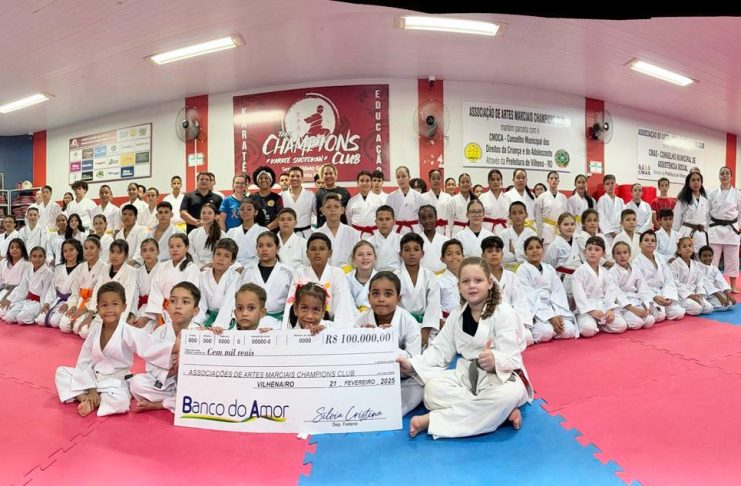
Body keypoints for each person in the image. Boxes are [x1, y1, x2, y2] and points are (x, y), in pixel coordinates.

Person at [399, 257, 532, 439]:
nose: (472, 286)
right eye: (466, 281)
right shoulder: (457, 315)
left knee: (507, 396)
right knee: (432, 391)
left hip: (501, 377)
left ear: (489, 283)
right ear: (459, 286)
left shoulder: (504, 312)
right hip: (468, 373)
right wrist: (412, 365)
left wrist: (495, 359)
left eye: (478, 280)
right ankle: (499, 413)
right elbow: (440, 349)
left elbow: (513, 356)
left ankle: (432, 420)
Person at [55, 281, 177, 417]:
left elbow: (149, 344)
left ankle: (89, 399)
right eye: (104, 305)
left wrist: (173, 348)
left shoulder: (127, 331)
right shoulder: (95, 331)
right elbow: (84, 362)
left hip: (116, 382)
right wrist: (92, 388)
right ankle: (88, 399)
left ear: (124, 307)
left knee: (120, 402)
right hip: (93, 378)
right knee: (61, 372)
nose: (109, 309)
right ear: (97, 308)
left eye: (115, 304)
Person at [356, 271, 423, 415]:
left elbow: (414, 362)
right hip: (369, 377)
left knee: (420, 386)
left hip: (400, 379)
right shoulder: (360, 321)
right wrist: (364, 340)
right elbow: (351, 356)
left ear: (398, 298)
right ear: (368, 297)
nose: (381, 299)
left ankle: (389, 412)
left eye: (388, 294)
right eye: (375, 294)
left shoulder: (409, 322)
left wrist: (387, 343)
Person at [130, 282, 201, 413]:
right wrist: (170, 369)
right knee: (136, 384)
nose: (178, 306)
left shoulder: (200, 334)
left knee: (203, 391)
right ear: (167, 307)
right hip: (167, 386)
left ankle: (160, 404)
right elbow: (150, 367)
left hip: (189, 385)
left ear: (195, 311)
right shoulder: (159, 332)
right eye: (173, 301)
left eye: (185, 302)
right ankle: (173, 402)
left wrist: (185, 365)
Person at [217, 232, 294, 330]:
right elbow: (235, 298)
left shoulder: (289, 272)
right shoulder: (248, 271)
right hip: (250, 323)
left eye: (269, 245)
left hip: (279, 323)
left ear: (278, 248)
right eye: (260, 246)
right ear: (256, 248)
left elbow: (293, 301)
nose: (264, 249)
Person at [282, 233, 355, 329]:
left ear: (330, 253)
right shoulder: (300, 273)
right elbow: (291, 305)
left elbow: (343, 308)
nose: (317, 252)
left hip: (330, 328)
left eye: (322, 249)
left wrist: (335, 333)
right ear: (307, 253)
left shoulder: (337, 273)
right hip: (303, 324)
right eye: (313, 249)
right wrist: (286, 331)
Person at [516, 236, 577, 343]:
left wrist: (557, 313)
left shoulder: (549, 268)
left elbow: (558, 292)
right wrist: (549, 316)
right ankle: (545, 328)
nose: (535, 250)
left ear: (542, 250)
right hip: (535, 311)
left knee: (570, 330)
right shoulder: (522, 270)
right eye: (530, 248)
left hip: (553, 306)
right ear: (525, 252)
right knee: (546, 333)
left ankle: (555, 328)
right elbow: (529, 297)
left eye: (538, 247)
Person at [572, 236, 627, 337]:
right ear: (584, 252)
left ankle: (600, 325)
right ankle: (592, 323)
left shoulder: (605, 272)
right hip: (586, 309)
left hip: (603, 307)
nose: (593, 252)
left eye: (597, 250)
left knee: (621, 326)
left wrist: (609, 309)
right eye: (590, 249)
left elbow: (610, 292)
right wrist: (591, 311)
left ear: (603, 253)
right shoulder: (579, 272)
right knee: (588, 330)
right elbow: (579, 296)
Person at [481, 236, 533, 343]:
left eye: (497, 251)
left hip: (511, 318)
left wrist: (522, 322)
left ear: (502, 254)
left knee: (528, 337)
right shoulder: (480, 277)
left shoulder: (511, 276)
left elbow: (520, 300)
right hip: (490, 320)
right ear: (483, 255)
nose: (494, 254)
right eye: (489, 251)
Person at [395, 233, 442, 348]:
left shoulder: (430, 276)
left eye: (416, 249)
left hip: (425, 324)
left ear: (422, 253)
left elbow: (434, 305)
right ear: (400, 254)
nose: (412, 253)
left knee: (430, 351)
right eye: (407, 250)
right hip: (400, 324)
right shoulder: (394, 277)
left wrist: (425, 330)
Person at [633, 230, 685, 322]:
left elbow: (669, 279)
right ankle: (660, 310)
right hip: (650, 296)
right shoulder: (636, 262)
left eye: (652, 241)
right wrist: (654, 297)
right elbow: (640, 286)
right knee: (659, 316)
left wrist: (668, 296)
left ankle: (664, 308)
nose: (650, 242)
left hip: (663, 293)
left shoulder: (660, 258)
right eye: (646, 240)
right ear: (640, 244)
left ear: (655, 244)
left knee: (679, 313)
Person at [58, 237, 105, 335]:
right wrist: (73, 305)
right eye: (86, 248)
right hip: (80, 302)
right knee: (64, 326)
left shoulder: (104, 268)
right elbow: (75, 291)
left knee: (83, 331)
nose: (88, 251)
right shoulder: (80, 267)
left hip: (94, 305)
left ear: (99, 249)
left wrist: (84, 310)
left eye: (92, 248)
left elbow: (101, 295)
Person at [707, 166, 741, 293]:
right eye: (722, 173)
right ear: (719, 176)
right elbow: (708, 212)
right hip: (715, 228)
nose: (725, 175)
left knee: (733, 259)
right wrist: (707, 228)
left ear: (731, 176)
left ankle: (733, 285)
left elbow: (740, 213)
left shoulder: (738, 194)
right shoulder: (713, 193)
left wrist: (739, 226)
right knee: (713, 259)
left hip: (732, 230)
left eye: (727, 173)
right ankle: (713, 284)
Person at [609, 242, 656, 329]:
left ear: (630, 254)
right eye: (618, 253)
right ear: (613, 256)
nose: (622, 256)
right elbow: (615, 293)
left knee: (650, 321)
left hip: (636, 301)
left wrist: (647, 304)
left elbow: (643, 288)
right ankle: (623, 317)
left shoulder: (635, 268)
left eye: (625, 252)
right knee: (637, 323)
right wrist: (631, 308)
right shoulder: (612, 272)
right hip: (623, 306)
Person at [37, 239, 83, 327]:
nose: (68, 253)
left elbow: (79, 292)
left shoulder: (82, 268)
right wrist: (47, 302)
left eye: (71, 250)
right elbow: (52, 289)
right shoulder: (58, 268)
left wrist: (69, 304)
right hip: (57, 300)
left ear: (77, 251)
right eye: (65, 251)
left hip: (72, 301)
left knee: (55, 322)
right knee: (40, 320)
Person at [1, 246, 52, 324]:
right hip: (27, 300)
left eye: (40, 256)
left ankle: (33, 316)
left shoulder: (48, 272)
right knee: (8, 317)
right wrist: (10, 298)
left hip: (38, 303)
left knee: (21, 318)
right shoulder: (29, 270)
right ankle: (24, 312)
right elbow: (22, 287)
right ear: (30, 258)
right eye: (34, 256)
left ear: (45, 258)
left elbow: (47, 292)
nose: (37, 259)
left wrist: (43, 306)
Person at [197, 238, 241, 327]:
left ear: (232, 261)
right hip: (206, 317)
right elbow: (200, 303)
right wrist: (197, 322)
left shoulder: (235, 277)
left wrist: (220, 325)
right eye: (218, 254)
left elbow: (228, 304)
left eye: (226, 256)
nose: (221, 259)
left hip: (226, 319)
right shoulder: (202, 276)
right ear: (213, 256)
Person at [669, 237, 713, 315]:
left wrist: (699, 293)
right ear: (679, 250)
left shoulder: (695, 264)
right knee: (697, 309)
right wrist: (689, 295)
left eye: (690, 246)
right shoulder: (675, 264)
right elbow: (675, 283)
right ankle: (680, 305)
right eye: (684, 246)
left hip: (694, 293)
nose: (688, 248)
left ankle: (693, 303)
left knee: (709, 308)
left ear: (693, 249)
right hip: (682, 295)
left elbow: (699, 281)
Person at [316, 193, 360, 269]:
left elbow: (358, 259)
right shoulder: (317, 234)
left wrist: (345, 272)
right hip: (325, 274)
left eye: (336, 206)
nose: (333, 210)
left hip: (348, 274)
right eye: (328, 207)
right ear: (322, 210)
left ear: (342, 210)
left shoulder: (353, 233)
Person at [673, 171, 709, 254]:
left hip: (701, 234)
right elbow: (677, 219)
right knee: (686, 256)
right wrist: (676, 236)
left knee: (701, 256)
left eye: (698, 180)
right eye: (693, 180)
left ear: (701, 182)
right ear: (688, 183)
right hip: (686, 232)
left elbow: (707, 220)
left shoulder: (705, 201)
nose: (696, 182)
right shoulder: (683, 200)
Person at [225, 199, 267, 267]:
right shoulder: (231, 231)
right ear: (239, 212)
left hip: (256, 266)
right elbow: (226, 252)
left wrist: (249, 267)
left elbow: (265, 252)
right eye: (242, 209)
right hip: (233, 266)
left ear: (256, 212)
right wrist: (236, 266)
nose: (245, 211)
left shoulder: (264, 231)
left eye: (249, 209)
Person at [387, 166, 427, 234]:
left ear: (409, 177)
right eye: (398, 177)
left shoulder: (419, 196)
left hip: (414, 231)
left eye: (403, 176)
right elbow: (387, 216)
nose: (401, 179)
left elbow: (424, 216)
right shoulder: (391, 197)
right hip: (396, 231)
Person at [534, 171, 568, 252]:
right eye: (551, 178)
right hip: (546, 230)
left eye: (556, 178)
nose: (554, 180)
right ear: (547, 181)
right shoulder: (542, 197)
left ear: (558, 181)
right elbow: (538, 218)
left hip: (560, 230)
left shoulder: (563, 197)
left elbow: (566, 217)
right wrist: (539, 236)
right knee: (547, 254)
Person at [346, 170, 383, 239]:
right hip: (356, 235)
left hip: (374, 235)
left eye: (367, 181)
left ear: (371, 183)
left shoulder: (379, 201)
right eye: (362, 180)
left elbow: (382, 219)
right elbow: (349, 221)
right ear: (357, 183)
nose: (364, 183)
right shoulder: (351, 201)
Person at [697, 246, 736, 311]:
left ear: (712, 256)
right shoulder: (697, 267)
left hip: (716, 292)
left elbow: (721, 281)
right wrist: (720, 297)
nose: (707, 258)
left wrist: (728, 296)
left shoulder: (714, 268)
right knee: (724, 306)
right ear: (699, 257)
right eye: (704, 256)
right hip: (704, 293)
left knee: (730, 304)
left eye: (710, 256)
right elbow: (706, 283)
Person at [500, 202, 537, 270]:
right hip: (508, 270)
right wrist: (524, 254)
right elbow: (503, 257)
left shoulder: (531, 234)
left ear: (526, 215)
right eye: (514, 213)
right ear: (509, 216)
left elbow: (533, 255)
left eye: (520, 213)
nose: (517, 216)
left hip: (527, 269)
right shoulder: (504, 233)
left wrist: (514, 251)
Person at [188, 203, 225, 269]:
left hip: (214, 266)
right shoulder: (193, 233)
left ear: (215, 216)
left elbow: (223, 253)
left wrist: (212, 264)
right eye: (203, 213)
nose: (206, 215)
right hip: (195, 266)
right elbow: (190, 251)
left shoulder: (222, 235)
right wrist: (199, 266)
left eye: (209, 213)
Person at [281, 166, 315, 239]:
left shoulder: (310, 195)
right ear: (289, 179)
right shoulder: (282, 195)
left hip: (306, 234)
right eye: (292, 176)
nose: (295, 178)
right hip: (287, 234)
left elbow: (316, 213)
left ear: (302, 179)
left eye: (298, 176)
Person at [367, 205, 401, 272]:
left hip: (397, 275)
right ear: (376, 222)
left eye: (387, 219)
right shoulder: (369, 242)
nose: (384, 223)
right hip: (376, 275)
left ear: (394, 221)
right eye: (380, 219)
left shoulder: (401, 240)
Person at [346, 240, 377, 313]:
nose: (365, 257)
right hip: (351, 316)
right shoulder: (346, 279)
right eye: (360, 254)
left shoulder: (382, 279)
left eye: (369, 254)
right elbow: (346, 304)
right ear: (353, 259)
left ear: (375, 258)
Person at [250, 165, 283, 230]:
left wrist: (267, 228)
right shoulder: (252, 197)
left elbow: (280, 216)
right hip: (255, 231)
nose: (263, 180)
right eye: (261, 178)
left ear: (271, 181)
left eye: (266, 178)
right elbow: (248, 215)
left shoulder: (277, 198)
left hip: (273, 232)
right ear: (257, 181)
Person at [418, 205, 448, 274]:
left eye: (430, 217)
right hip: (422, 277)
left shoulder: (445, 240)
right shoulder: (416, 241)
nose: (427, 221)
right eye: (423, 218)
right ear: (419, 220)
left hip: (442, 277)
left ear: (436, 218)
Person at [596, 174, 624, 246]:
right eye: (607, 184)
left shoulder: (620, 201)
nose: (610, 186)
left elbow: (624, 217)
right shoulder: (602, 200)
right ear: (604, 186)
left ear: (616, 185)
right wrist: (611, 232)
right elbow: (601, 218)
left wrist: (622, 232)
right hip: (607, 234)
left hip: (619, 232)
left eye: (612, 183)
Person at [422, 169, 452, 235]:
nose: (436, 181)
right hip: (429, 228)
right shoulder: (423, 197)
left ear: (441, 180)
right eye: (433, 178)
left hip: (445, 229)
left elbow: (450, 216)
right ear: (429, 180)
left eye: (438, 178)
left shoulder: (448, 197)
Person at [479, 169, 509, 235]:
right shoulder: (482, 197)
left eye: (498, 179)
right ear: (488, 182)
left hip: (503, 230)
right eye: (492, 179)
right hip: (486, 230)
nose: (495, 182)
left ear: (501, 181)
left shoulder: (508, 198)